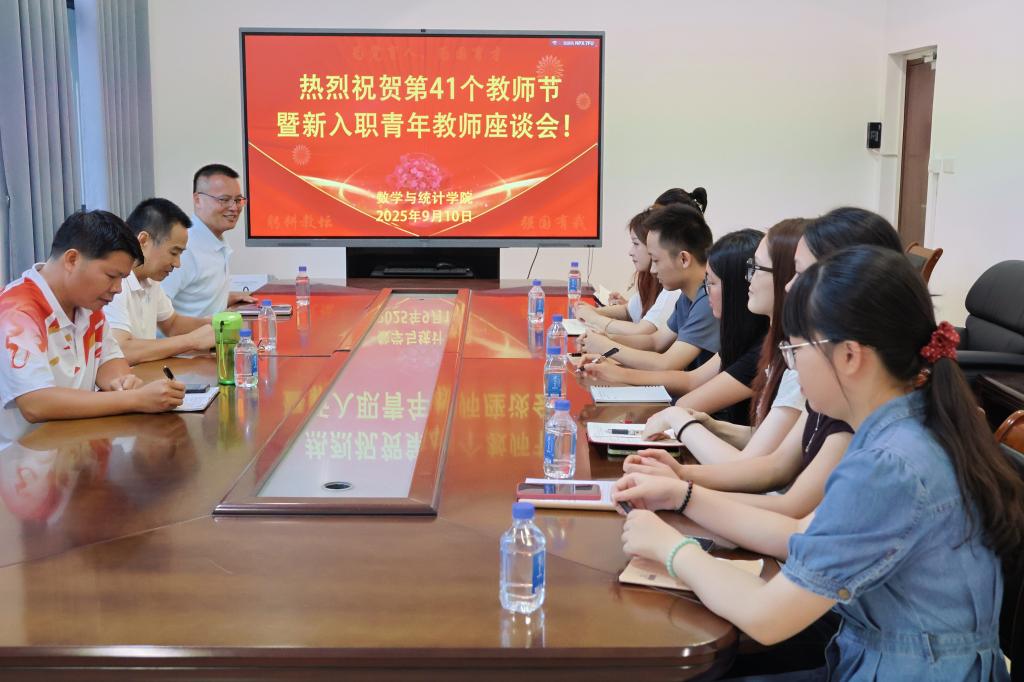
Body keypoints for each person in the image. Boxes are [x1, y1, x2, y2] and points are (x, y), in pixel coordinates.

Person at [616, 246, 1023, 680]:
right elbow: (801, 532)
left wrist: (670, 548)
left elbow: (765, 616)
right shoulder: (913, 422)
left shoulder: (889, 465)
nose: (792, 367)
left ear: (849, 355)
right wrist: (682, 496)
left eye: (795, 349)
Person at [0, 211, 186, 446]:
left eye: (122, 278)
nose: (118, 289)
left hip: (74, 445)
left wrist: (123, 382)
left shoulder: (88, 304)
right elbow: (36, 403)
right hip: (23, 456)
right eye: (112, 276)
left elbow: (110, 361)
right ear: (72, 260)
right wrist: (135, 399)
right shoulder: (18, 309)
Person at [583, 229, 768, 422]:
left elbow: (685, 391)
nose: (653, 270)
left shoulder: (761, 349)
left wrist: (610, 353)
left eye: (711, 283)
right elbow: (691, 379)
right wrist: (616, 371)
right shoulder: (739, 336)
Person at [579, 203, 719, 371]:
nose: (652, 270)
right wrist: (607, 338)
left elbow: (666, 363)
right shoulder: (686, 297)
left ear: (683, 259)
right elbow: (655, 341)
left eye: (656, 260)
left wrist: (605, 346)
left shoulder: (708, 300)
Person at [104, 198, 216, 365]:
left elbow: (172, 324)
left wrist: (214, 324)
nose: (177, 263)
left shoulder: (150, 279)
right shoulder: (115, 282)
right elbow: (121, 350)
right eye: (173, 253)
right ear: (143, 241)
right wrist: (191, 341)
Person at [160, 164, 256, 317]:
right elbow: (156, 311)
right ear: (198, 200)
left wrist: (224, 299)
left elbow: (193, 297)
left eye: (238, 200)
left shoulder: (215, 239)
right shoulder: (184, 248)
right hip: (193, 334)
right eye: (224, 200)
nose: (234, 208)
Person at [573, 208, 680, 336]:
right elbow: (628, 309)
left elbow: (643, 333)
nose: (630, 252)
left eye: (636, 243)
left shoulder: (673, 289)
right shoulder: (649, 278)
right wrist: (593, 311)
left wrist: (594, 318)